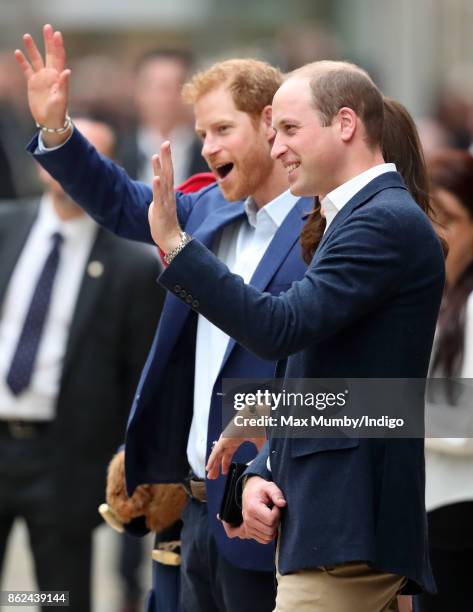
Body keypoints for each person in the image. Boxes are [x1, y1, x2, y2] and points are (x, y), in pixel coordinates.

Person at [15, 24, 311, 612]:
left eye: (223, 129)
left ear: (272, 128)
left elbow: (342, 381)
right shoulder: (203, 210)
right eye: (201, 132)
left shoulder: (321, 228)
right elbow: (122, 201)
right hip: (189, 509)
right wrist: (56, 128)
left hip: (266, 514)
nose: (206, 146)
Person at [145, 61, 445, 611]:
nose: (277, 146)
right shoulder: (356, 217)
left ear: (346, 123)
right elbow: (345, 380)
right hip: (328, 528)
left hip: (346, 529)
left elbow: (279, 328)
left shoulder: (379, 220)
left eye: (288, 128)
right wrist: (264, 453)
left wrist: (178, 246)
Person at [0, 117, 163, 612]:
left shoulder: (131, 265)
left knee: (58, 595)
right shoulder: (7, 226)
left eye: (88, 151)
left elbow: (139, 375)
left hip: (64, 458)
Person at [415, 149, 473, 612]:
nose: (436, 233)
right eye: (426, 217)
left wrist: (351, 408)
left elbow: (464, 415)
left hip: (460, 519)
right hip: (431, 519)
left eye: (449, 218)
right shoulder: (435, 298)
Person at [119, 48, 209, 185]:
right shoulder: (117, 152)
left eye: (177, 86)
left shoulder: (210, 154)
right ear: (137, 91)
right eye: (156, 87)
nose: (165, 97)